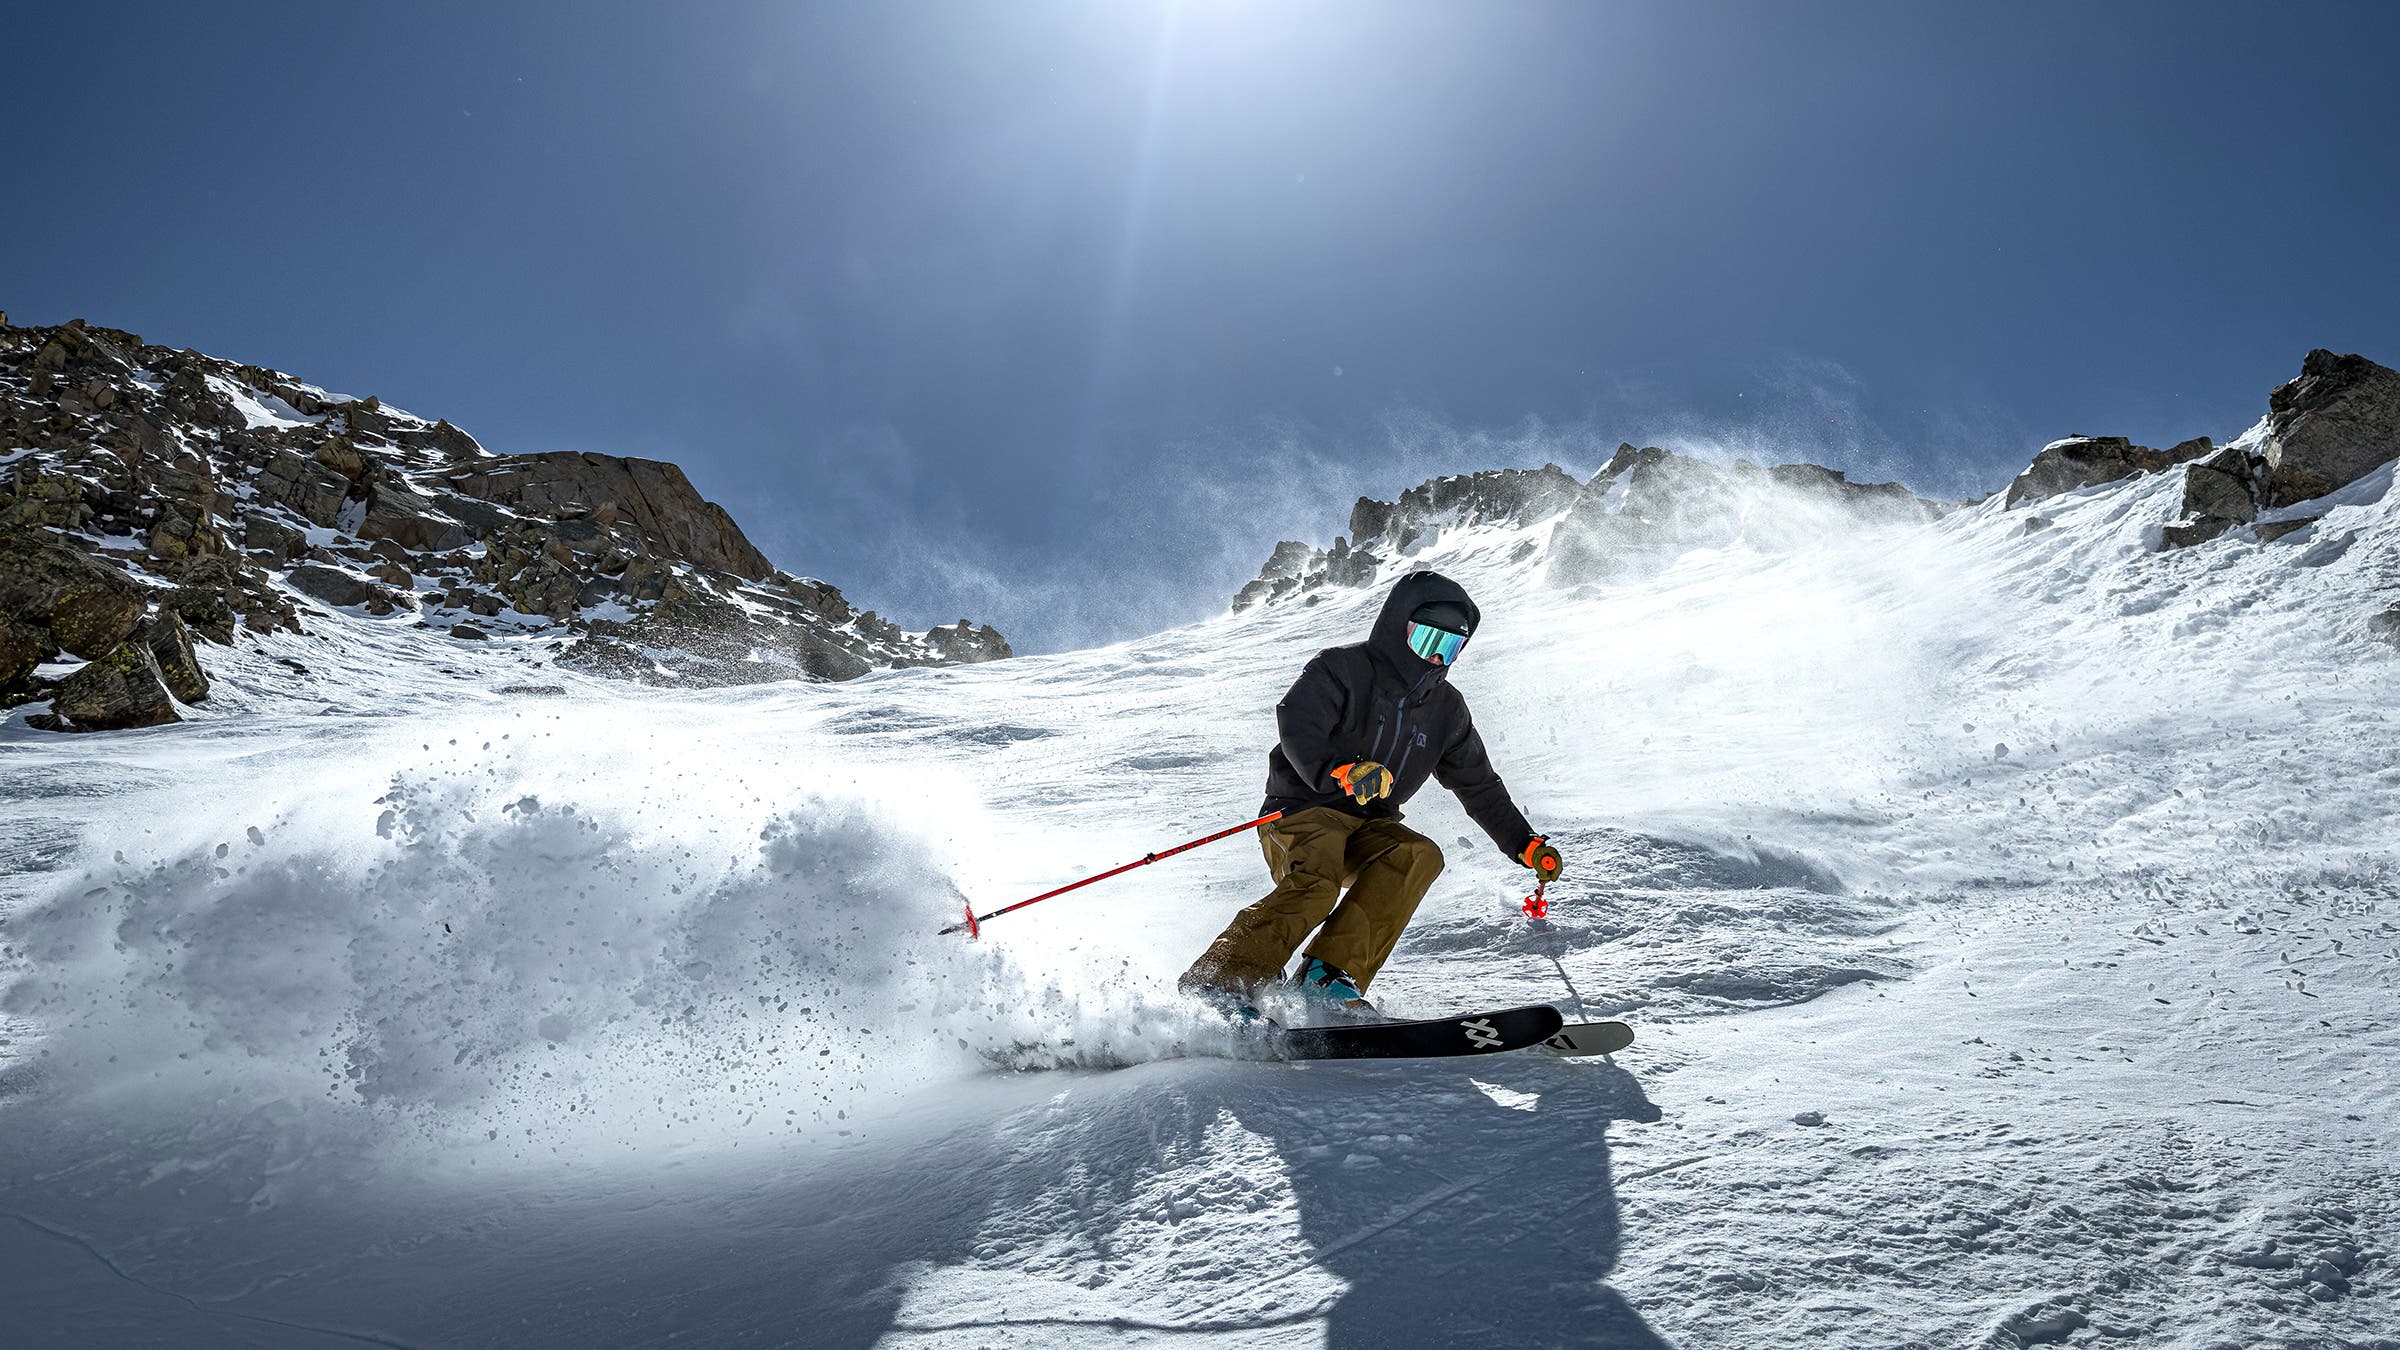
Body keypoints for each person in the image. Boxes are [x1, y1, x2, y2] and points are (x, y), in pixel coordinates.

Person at [1180, 569, 1562, 1015]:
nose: (1435, 659)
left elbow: (1479, 786)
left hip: (1370, 824)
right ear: (1398, 629)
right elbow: (1298, 723)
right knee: (1317, 886)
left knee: (1416, 855)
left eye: (1449, 648)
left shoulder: (1447, 710)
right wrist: (1339, 770)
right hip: (1305, 808)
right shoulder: (1341, 669)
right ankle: (1220, 983)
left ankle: (1326, 978)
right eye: (1426, 642)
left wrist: (1525, 844)